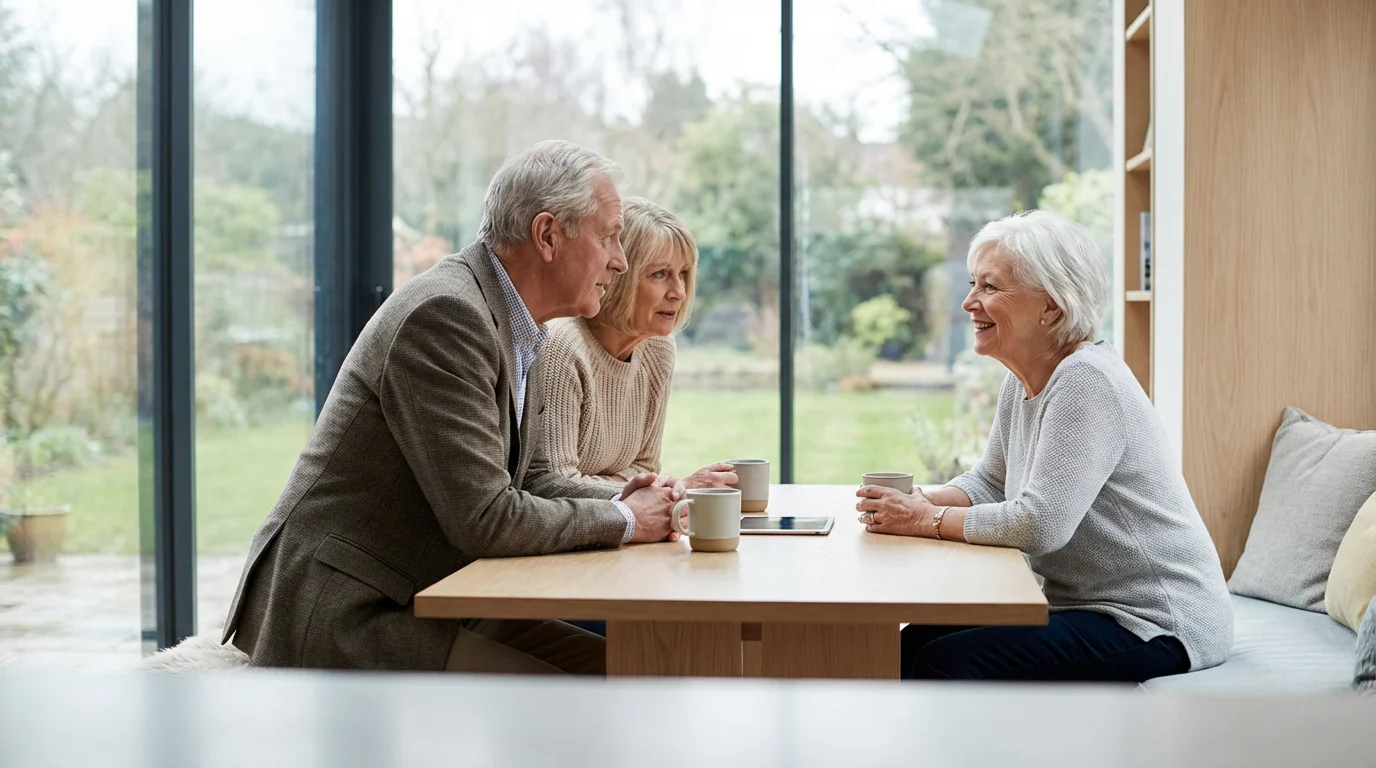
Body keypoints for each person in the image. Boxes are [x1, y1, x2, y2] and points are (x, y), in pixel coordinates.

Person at [221, 140, 686, 674]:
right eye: (609, 238)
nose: (619, 260)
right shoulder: (448, 317)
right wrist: (624, 518)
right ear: (548, 236)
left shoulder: (514, 322)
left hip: (429, 592)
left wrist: (624, 500)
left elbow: (527, 482)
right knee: (574, 697)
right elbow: (486, 519)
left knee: (625, 672)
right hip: (353, 610)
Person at [854, 210, 1232, 682]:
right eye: (974, 284)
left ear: (1050, 307)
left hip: (1154, 620)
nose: (970, 302)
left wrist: (923, 520)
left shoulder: (1085, 381)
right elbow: (989, 483)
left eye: (990, 288)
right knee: (914, 641)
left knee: (944, 661)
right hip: (1082, 606)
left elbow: (1039, 523)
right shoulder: (1026, 378)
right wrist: (918, 501)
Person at [534, 197, 737, 491]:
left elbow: (645, 467)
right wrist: (675, 487)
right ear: (617, 275)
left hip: (618, 529)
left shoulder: (659, 349)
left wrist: (636, 487)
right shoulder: (562, 346)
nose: (679, 292)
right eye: (660, 274)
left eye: (682, 274)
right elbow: (557, 485)